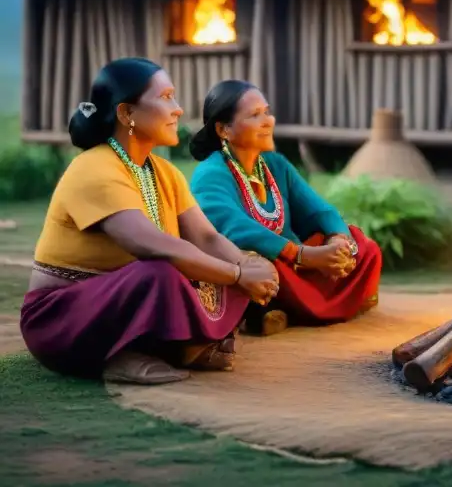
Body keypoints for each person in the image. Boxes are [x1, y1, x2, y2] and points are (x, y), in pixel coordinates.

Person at [21, 58, 280, 385]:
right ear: (127, 114)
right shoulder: (93, 168)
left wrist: (247, 265)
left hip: (135, 295)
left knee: (231, 263)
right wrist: (237, 274)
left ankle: (181, 346)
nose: (178, 109)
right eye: (166, 97)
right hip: (62, 319)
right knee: (160, 271)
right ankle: (123, 354)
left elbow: (206, 237)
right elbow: (149, 244)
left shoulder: (164, 172)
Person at [189, 80, 382, 335]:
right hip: (270, 260)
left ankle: (280, 309)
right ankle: (265, 308)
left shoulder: (275, 164)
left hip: (300, 262)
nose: (268, 121)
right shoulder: (210, 173)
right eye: (255, 115)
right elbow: (235, 229)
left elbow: (319, 210)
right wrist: (305, 256)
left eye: (267, 112)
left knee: (362, 245)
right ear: (224, 129)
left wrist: (337, 241)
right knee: (261, 268)